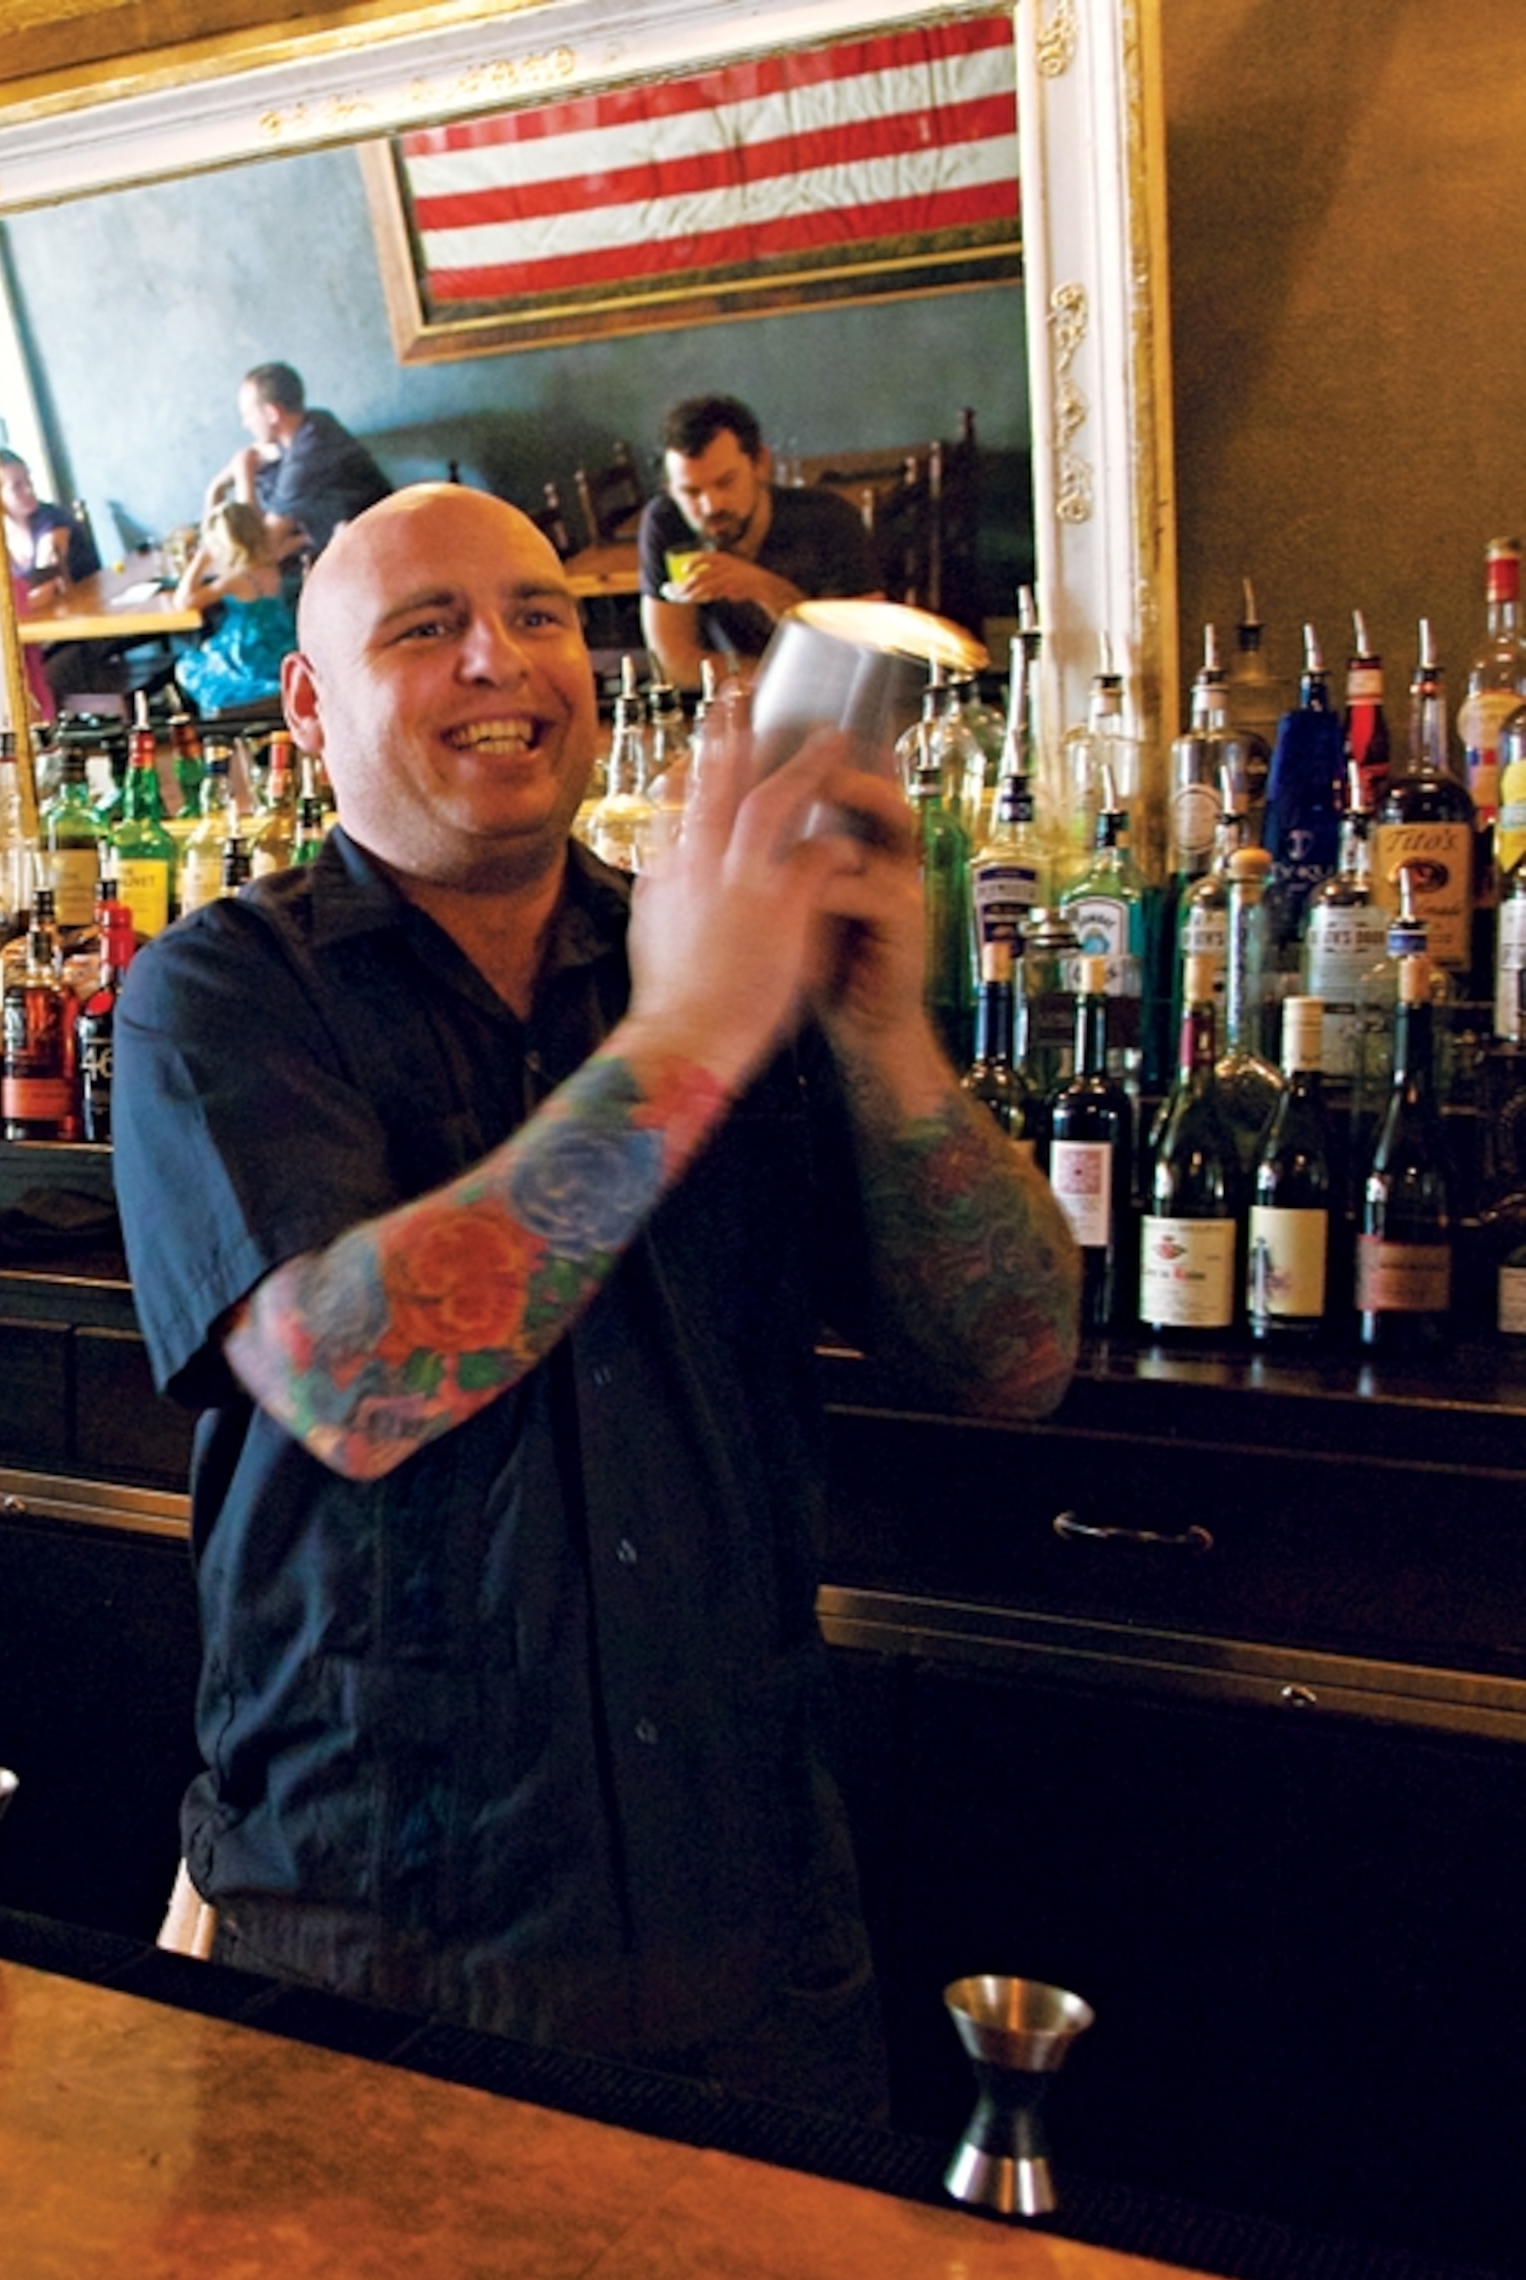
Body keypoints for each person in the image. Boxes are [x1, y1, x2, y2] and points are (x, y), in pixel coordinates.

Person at [111, 485, 1074, 2112]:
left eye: (539, 613)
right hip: (366, 1952)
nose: (502, 659)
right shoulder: (221, 991)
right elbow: (355, 1377)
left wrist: (882, 1030)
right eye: (426, 629)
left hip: (751, 1937)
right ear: (305, 703)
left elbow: (1013, 1352)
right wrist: (694, 1025)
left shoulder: (717, 960)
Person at [638, 393, 884, 691]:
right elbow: (673, 663)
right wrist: (782, 680)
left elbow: (865, 653)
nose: (711, 506)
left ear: (760, 464)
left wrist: (766, 589)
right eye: (690, 492)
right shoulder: (667, 523)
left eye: (725, 482)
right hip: (735, 702)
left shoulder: (828, 519)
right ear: (670, 489)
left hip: (833, 702)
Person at [201, 362, 393, 577]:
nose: (246, 423)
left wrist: (244, 474)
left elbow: (259, 550)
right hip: (349, 544)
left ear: (273, 413)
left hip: (377, 557)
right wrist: (216, 487)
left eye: (248, 414)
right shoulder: (316, 423)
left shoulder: (307, 458)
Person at [166, 500, 300, 716]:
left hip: (248, 653)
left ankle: (214, 719)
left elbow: (184, 601)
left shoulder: (236, 578)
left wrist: (199, 561)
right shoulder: (271, 566)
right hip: (280, 644)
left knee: (190, 666)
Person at [0, 449, 100, 612]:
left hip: (87, 615)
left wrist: (21, 603)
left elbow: (48, 585)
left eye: (28, 481)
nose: (29, 490)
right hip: (43, 623)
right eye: (17, 486)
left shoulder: (52, 520)